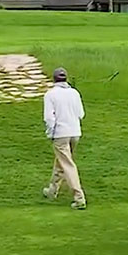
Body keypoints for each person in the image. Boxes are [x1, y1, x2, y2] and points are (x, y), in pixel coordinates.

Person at [42, 67, 86, 210]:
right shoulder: (74, 93)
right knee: (61, 161)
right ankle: (52, 190)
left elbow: (49, 118)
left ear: (54, 79)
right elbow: (81, 114)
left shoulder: (50, 94)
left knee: (67, 164)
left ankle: (79, 198)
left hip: (61, 133)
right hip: (75, 133)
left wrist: (50, 133)